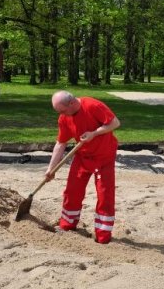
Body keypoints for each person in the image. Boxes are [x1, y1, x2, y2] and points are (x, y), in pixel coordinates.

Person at [45, 91, 121, 244]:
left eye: (62, 110)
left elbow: (115, 123)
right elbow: (60, 144)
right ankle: (67, 225)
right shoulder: (64, 118)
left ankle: (103, 235)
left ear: (72, 103)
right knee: (72, 190)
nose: (61, 114)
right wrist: (50, 169)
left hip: (103, 156)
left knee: (105, 195)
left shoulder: (92, 105)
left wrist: (94, 133)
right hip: (82, 157)